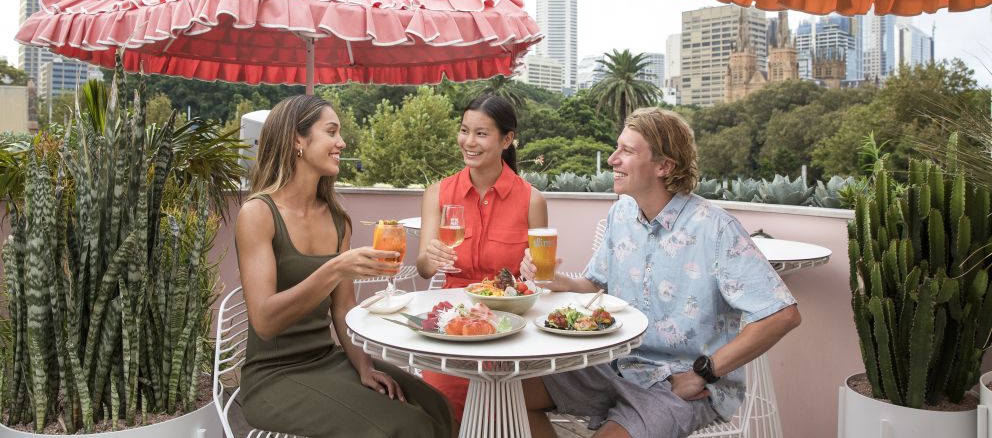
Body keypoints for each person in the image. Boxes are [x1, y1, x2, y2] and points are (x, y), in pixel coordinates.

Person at [519, 108, 802, 438]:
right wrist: (559, 281)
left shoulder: (714, 228)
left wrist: (702, 374)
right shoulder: (621, 213)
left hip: (677, 383)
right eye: (617, 148)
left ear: (663, 166)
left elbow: (782, 315)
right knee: (510, 395)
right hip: (614, 364)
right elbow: (594, 283)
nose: (612, 159)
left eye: (627, 151)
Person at [235, 95, 453, 438]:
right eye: (332, 132)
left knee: (438, 408)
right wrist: (335, 268)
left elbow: (343, 307)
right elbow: (264, 321)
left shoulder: (337, 220)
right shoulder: (258, 214)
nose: (342, 142)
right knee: (407, 427)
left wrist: (363, 365)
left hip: (327, 359)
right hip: (273, 376)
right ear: (297, 140)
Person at [416, 94, 549, 421]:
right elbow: (422, 268)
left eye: (481, 133)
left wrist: (536, 269)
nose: (468, 142)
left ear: (507, 139)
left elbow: (541, 277)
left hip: (511, 325)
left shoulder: (532, 200)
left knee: (508, 410)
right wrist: (429, 258)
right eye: (464, 131)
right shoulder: (437, 193)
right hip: (454, 324)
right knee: (442, 407)